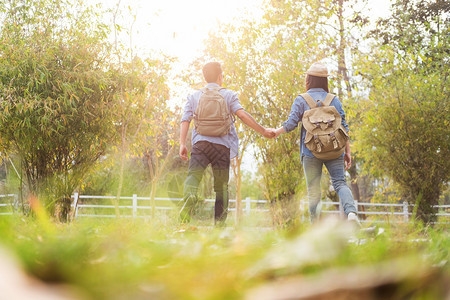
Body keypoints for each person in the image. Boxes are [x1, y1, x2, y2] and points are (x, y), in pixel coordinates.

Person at [179, 62, 275, 226]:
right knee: (221, 188)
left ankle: (188, 206)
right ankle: (219, 227)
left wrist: (182, 143)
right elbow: (243, 115)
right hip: (221, 147)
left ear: (204, 77)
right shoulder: (229, 95)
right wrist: (263, 131)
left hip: (200, 144)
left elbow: (185, 120)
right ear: (220, 77)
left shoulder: (194, 96)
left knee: (193, 177)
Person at [274, 62, 360, 224]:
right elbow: (344, 128)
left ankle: (316, 228)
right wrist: (347, 152)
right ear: (324, 81)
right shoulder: (334, 100)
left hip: (310, 152)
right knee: (340, 183)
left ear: (309, 80)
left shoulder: (301, 100)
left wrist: (275, 132)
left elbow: (291, 124)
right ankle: (351, 214)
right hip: (335, 150)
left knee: (313, 191)